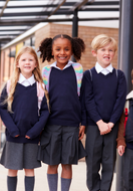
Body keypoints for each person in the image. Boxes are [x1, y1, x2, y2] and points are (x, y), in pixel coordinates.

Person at [37, 34, 87, 191]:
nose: (62, 52)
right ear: (52, 51)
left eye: (66, 49)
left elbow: (83, 98)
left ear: (72, 50)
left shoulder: (78, 69)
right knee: (52, 163)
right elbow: (42, 100)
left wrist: (83, 123)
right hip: (51, 125)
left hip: (72, 125)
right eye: (58, 49)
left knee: (67, 163)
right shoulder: (46, 71)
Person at [0, 46, 50, 191]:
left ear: (35, 64)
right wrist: (12, 128)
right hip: (14, 135)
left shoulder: (40, 87)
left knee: (29, 169)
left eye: (31, 60)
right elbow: (3, 109)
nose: (27, 62)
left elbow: (45, 112)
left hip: (31, 136)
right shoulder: (10, 85)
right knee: (12, 169)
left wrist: (35, 131)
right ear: (17, 63)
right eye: (23, 60)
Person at [82, 34, 127, 191]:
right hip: (94, 126)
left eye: (111, 50)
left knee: (109, 164)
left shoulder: (119, 76)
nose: (107, 53)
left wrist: (111, 123)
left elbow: (120, 102)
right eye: (103, 50)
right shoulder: (89, 76)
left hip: (112, 127)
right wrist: (100, 123)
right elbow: (88, 101)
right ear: (95, 52)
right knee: (92, 164)